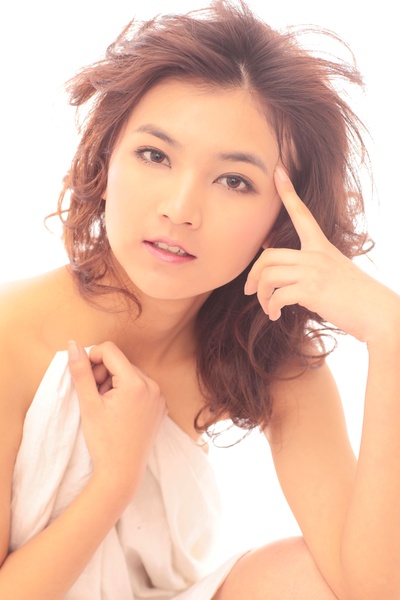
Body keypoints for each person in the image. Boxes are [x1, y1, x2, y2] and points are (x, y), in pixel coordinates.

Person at [1, 1, 399, 598]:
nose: (180, 210)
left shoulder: (269, 358)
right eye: (155, 155)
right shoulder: (12, 335)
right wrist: (113, 483)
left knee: (316, 575)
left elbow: (373, 585)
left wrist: (391, 334)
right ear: (105, 160)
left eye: (235, 181)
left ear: (281, 220)